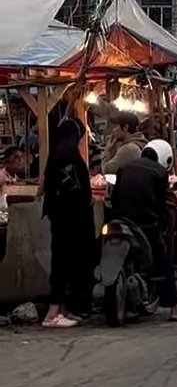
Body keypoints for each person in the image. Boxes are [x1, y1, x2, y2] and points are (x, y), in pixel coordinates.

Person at [109, 139, 177, 321]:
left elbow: (114, 198)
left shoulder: (124, 167)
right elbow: (160, 205)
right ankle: (174, 309)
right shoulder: (160, 173)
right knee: (163, 263)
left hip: (120, 221)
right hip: (145, 225)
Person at [41, 118, 95, 327]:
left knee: (64, 262)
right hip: (71, 220)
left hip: (60, 218)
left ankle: (62, 309)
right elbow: (77, 191)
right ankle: (52, 313)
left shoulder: (55, 155)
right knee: (63, 263)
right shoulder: (69, 157)